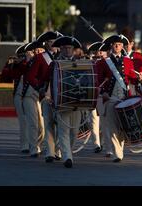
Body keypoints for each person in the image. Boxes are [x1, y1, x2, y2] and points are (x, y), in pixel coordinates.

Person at [96, 34, 138, 162]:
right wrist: (103, 92)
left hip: (125, 97)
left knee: (122, 127)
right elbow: (98, 79)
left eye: (119, 44)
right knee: (112, 127)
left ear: (122, 47)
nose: (117, 46)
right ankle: (117, 154)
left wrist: (139, 79)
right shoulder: (104, 62)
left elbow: (132, 77)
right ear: (111, 46)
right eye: (115, 44)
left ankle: (119, 149)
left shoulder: (128, 61)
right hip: (110, 97)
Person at [48, 36, 84, 168]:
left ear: (74, 50)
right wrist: (52, 98)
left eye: (70, 48)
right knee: (63, 130)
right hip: (62, 102)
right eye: (65, 48)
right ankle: (67, 157)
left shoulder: (80, 63)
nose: (67, 50)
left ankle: (66, 151)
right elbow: (50, 82)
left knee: (74, 132)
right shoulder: (55, 64)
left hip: (76, 101)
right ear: (61, 49)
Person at [26, 31, 63, 158]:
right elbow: (30, 76)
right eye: (50, 41)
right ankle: (50, 153)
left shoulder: (62, 57)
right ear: (46, 44)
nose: (53, 44)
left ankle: (58, 150)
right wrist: (39, 87)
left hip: (61, 95)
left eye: (54, 41)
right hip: (46, 95)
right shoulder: (40, 57)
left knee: (61, 124)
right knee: (48, 124)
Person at [0, 43, 32, 153]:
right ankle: (25, 145)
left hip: (32, 95)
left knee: (36, 122)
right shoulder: (15, 66)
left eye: (24, 56)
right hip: (19, 96)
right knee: (23, 121)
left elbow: (26, 69)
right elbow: (5, 77)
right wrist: (8, 65)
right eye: (20, 56)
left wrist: (26, 61)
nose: (21, 58)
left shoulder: (29, 63)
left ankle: (35, 142)